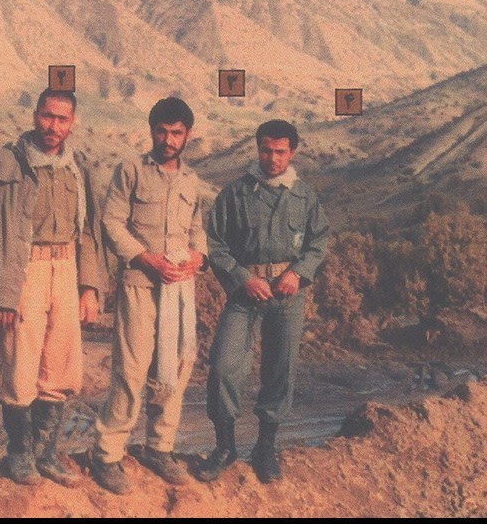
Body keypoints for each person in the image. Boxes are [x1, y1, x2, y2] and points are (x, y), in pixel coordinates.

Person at [0, 89, 104, 487]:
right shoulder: (5, 162)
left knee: (60, 367)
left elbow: (89, 231)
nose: (53, 126)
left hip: (66, 268)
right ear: (34, 115)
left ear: (72, 123)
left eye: (62, 119)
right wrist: (1, 290)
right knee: (19, 365)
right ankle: (19, 455)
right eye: (47, 116)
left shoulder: (78, 166)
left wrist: (89, 287)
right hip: (23, 269)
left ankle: (46, 454)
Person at [199, 119, 329, 484]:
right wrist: (243, 278)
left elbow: (318, 241)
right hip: (246, 292)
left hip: (288, 293)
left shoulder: (304, 196)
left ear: (292, 153)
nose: (273, 159)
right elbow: (216, 244)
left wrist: (298, 273)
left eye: (280, 152)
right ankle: (225, 447)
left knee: (280, 369)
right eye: (266, 151)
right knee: (224, 366)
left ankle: (265, 447)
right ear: (257, 149)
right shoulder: (236, 194)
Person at [91, 97, 207, 495]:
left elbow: (196, 228)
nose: (168, 139)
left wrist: (199, 257)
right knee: (131, 369)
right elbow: (111, 222)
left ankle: (160, 447)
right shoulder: (131, 171)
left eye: (177, 133)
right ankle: (107, 454)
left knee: (176, 367)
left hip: (180, 288)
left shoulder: (191, 179)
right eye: (162, 131)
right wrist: (146, 258)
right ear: (151, 131)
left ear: (188, 135)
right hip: (140, 284)